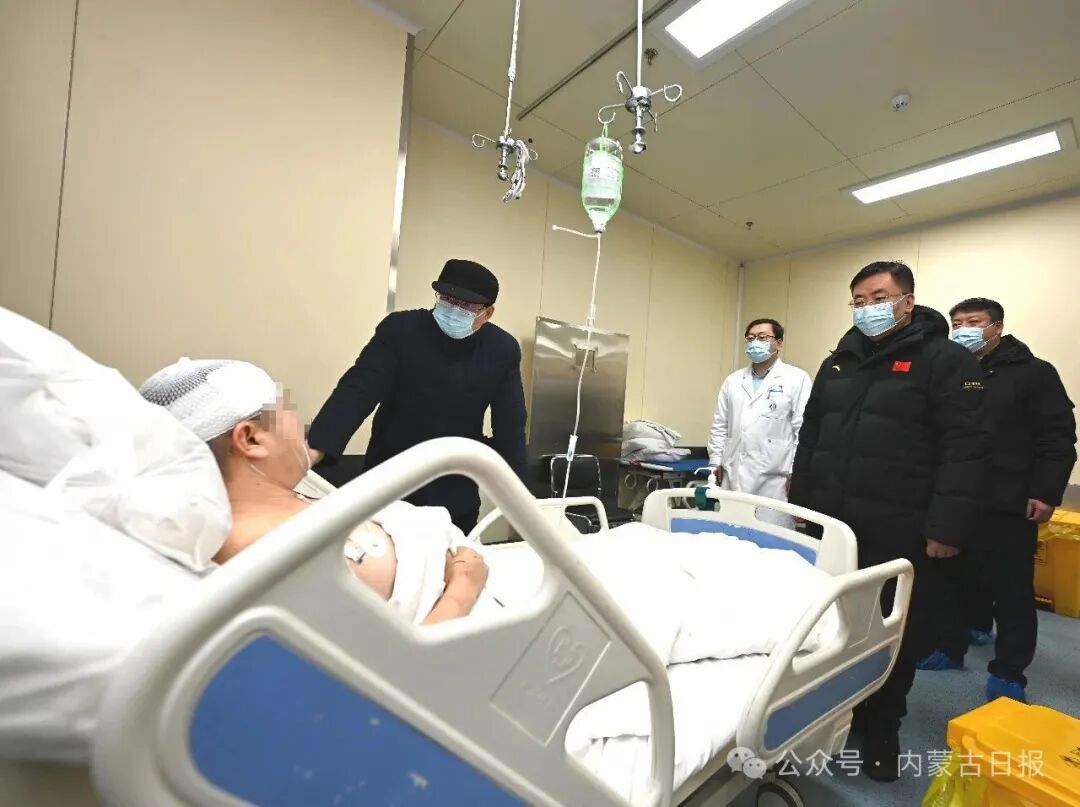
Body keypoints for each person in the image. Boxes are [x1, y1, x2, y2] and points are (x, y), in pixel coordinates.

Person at [788, 261, 991, 783]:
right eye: (858, 301)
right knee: (833, 625)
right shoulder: (839, 363)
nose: (868, 309)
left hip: (902, 526)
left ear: (907, 301)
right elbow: (811, 438)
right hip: (837, 524)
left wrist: (946, 527)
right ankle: (839, 709)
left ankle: (882, 727)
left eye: (879, 298)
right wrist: (803, 510)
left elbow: (965, 450)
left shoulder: (943, 360)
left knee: (893, 632)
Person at [138, 358, 490, 625]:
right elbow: (389, 675)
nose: (300, 423)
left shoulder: (268, 507)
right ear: (251, 439)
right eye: (285, 411)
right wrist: (462, 590)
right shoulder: (270, 557)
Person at [918, 298, 1076, 702]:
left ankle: (1008, 671)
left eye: (973, 322)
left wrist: (1046, 492)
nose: (963, 330)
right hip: (953, 498)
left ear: (997, 327)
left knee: (1011, 590)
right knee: (946, 579)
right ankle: (949, 646)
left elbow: (1057, 437)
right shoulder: (948, 369)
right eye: (957, 323)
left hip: (1008, 498)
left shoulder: (1034, 373)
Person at [306, 259, 527, 534]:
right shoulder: (400, 330)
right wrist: (316, 447)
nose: (454, 310)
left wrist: (519, 497)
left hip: (454, 488)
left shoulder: (501, 350)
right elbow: (358, 389)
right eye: (448, 299)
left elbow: (510, 425)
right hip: (388, 478)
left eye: (466, 306)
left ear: (488, 312)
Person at [707, 319, 811, 526]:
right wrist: (715, 461)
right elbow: (720, 424)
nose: (755, 342)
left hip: (775, 479)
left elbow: (803, 429)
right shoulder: (733, 380)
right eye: (751, 338)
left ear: (779, 343)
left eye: (763, 337)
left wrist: (796, 472)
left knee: (771, 535)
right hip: (733, 473)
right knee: (729, 533)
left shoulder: (796, 379)